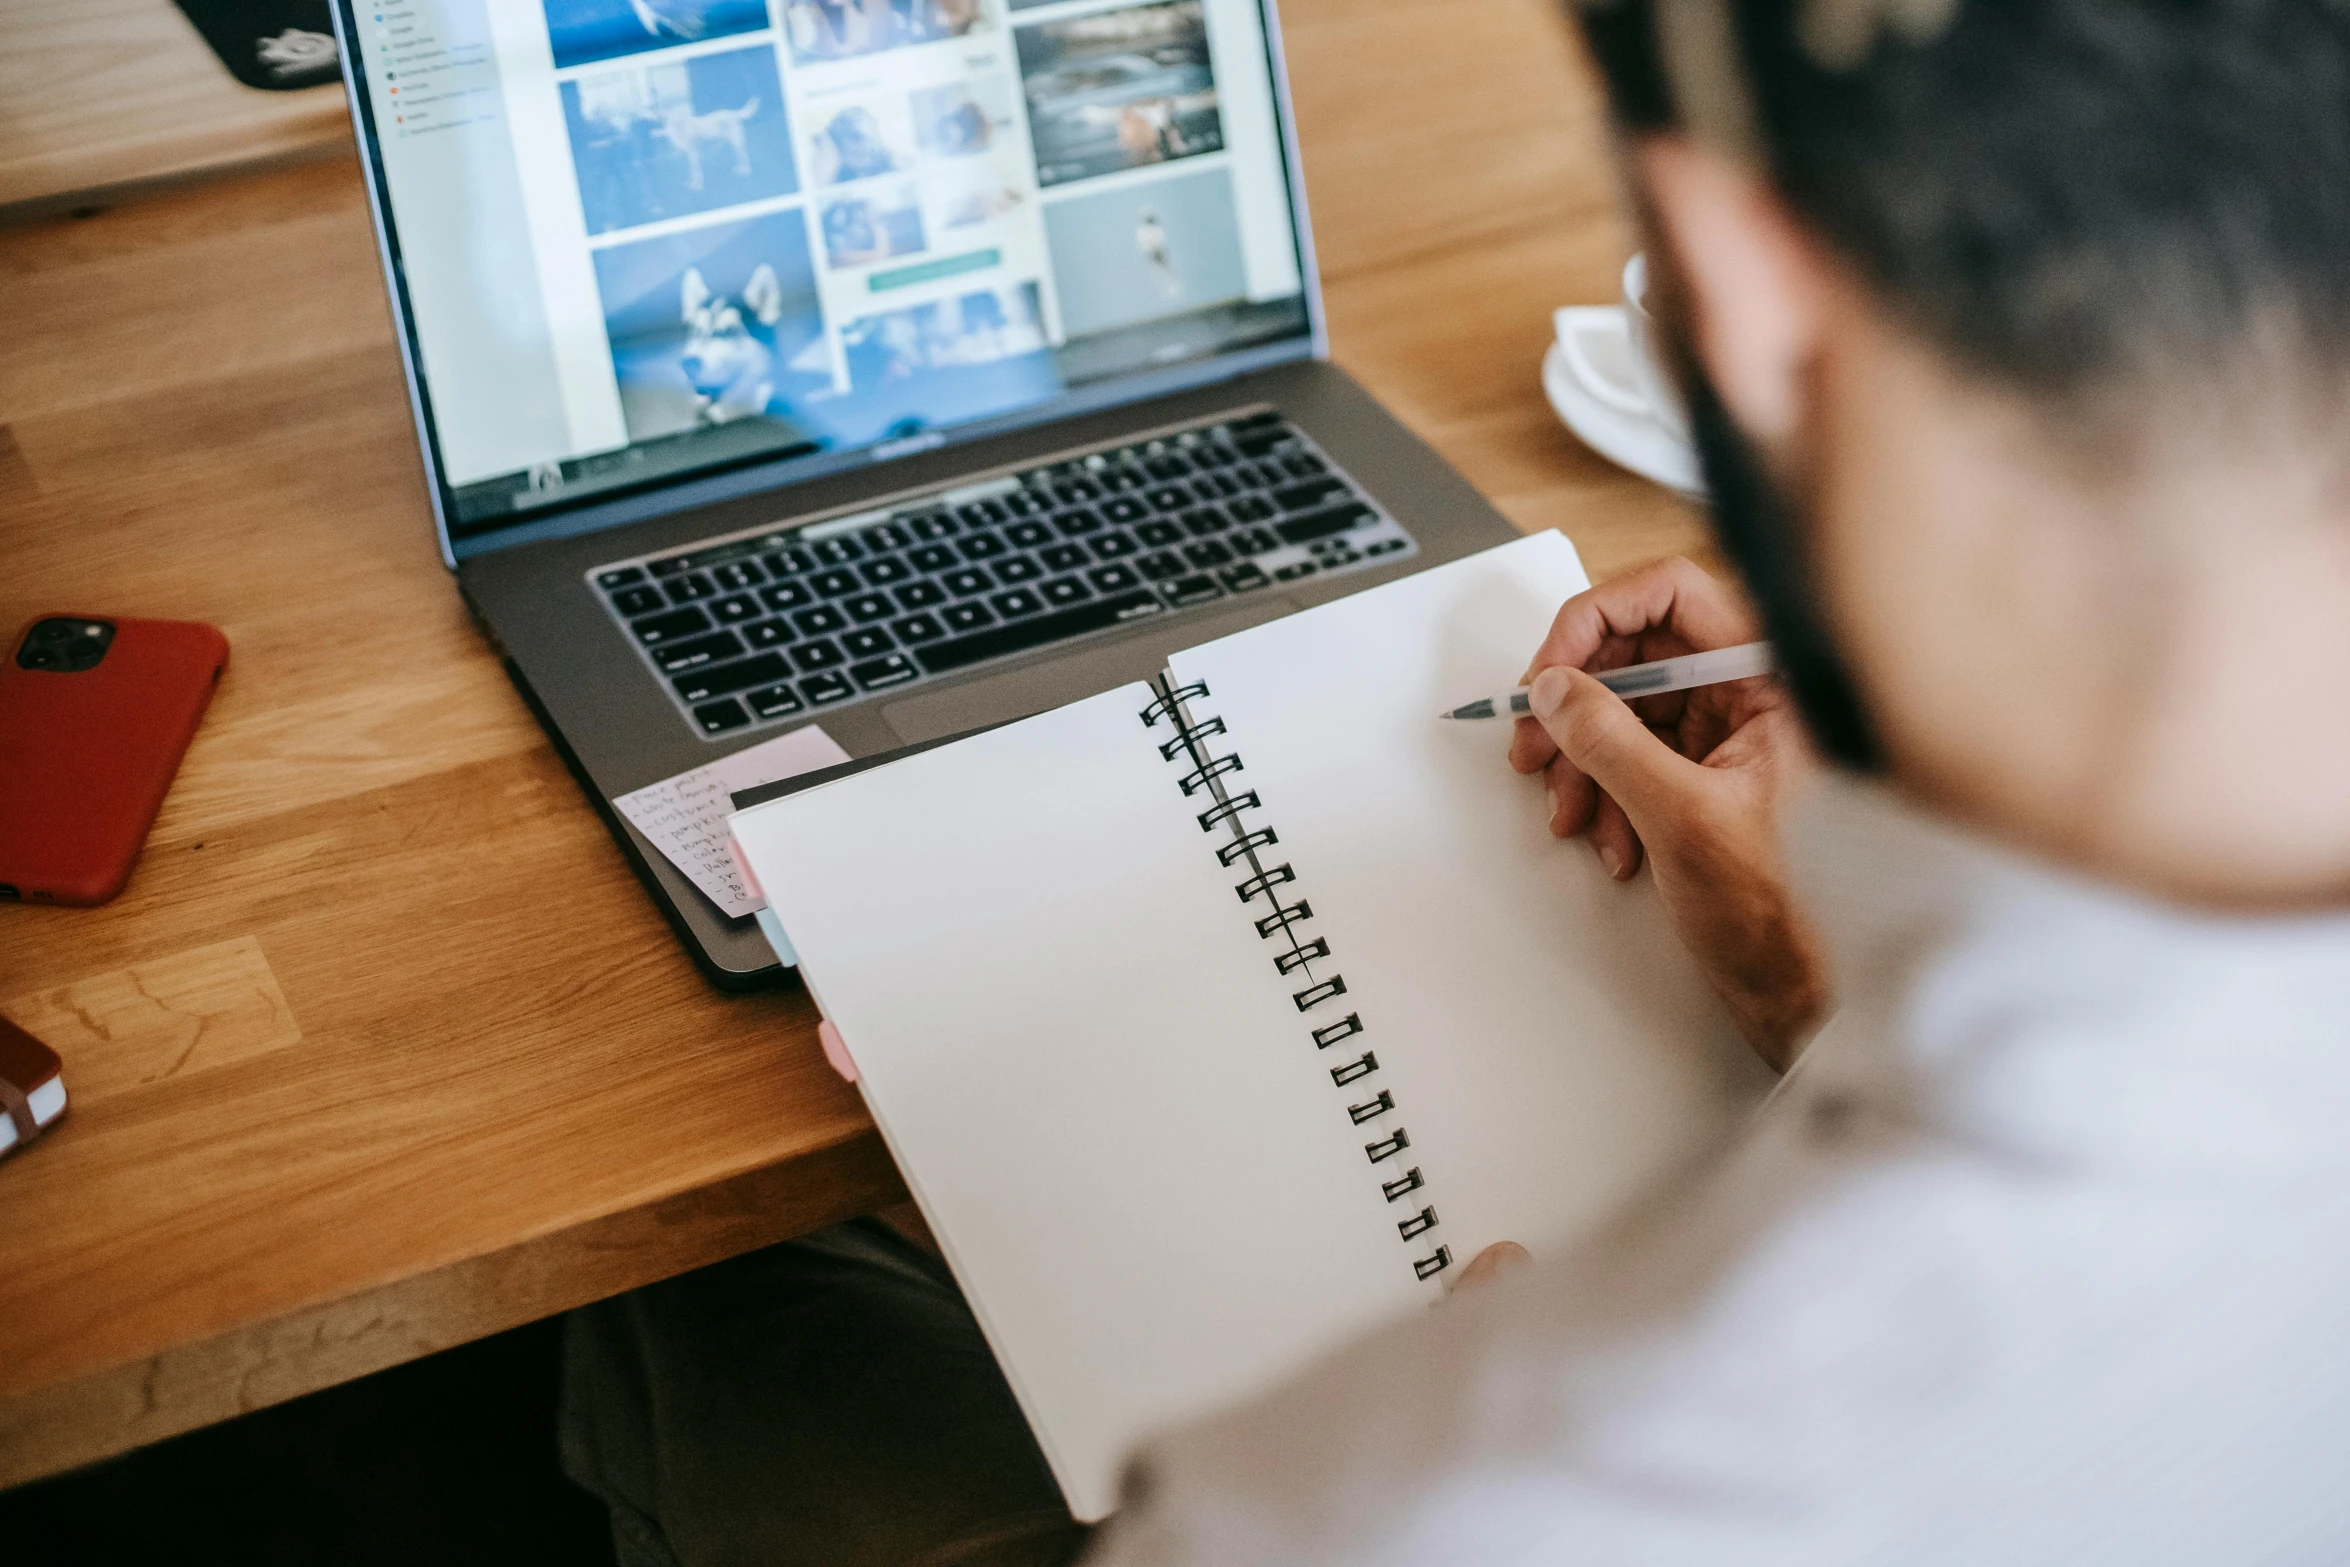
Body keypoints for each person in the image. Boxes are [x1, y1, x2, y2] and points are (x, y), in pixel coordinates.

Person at [559, 2, 2350, 1562]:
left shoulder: (1421, 1507)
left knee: (734, 1292)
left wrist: (1489, 1386)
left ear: (1730, 292)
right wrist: (1805, 997)